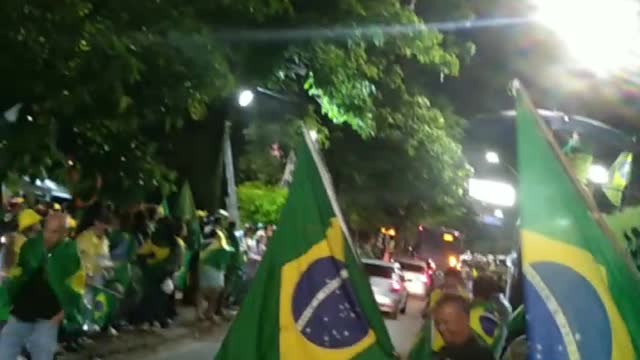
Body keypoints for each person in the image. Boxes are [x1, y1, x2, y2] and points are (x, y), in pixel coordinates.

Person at [0, 213, 85, 360]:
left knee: (43, 354)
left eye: (54, 232)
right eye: (47, 229)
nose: (48, 235)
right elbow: (20, 272)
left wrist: (65, 311)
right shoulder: (31, 246)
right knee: (5, 351)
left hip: (49, 315)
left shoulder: (71, 253)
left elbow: (76, 285)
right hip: (22, 310)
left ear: (64, 233)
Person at [433, 294, 494, 360]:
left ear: (465, 319)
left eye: (446, 322)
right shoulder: (444, 352)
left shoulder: (481, 355)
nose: (441, 328)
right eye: (437, 323)